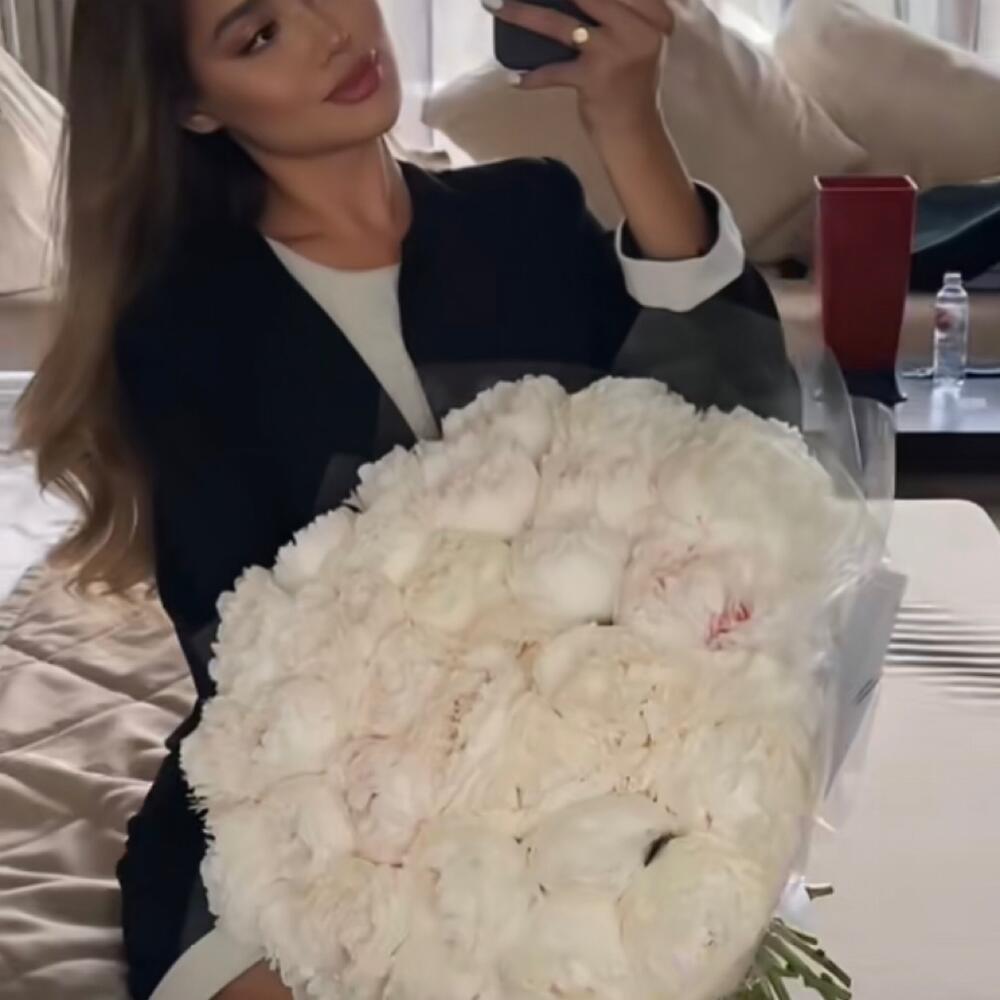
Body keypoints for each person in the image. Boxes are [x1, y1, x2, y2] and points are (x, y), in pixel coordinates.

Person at [13, 0, 794, 997]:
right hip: (317, 815)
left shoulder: (527, 213)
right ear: (192, 105)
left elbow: (736, 439)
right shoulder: (180, 330)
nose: (332, 31)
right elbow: (250, 658)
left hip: (607, 768)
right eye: (260, 35)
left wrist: (630, 125)